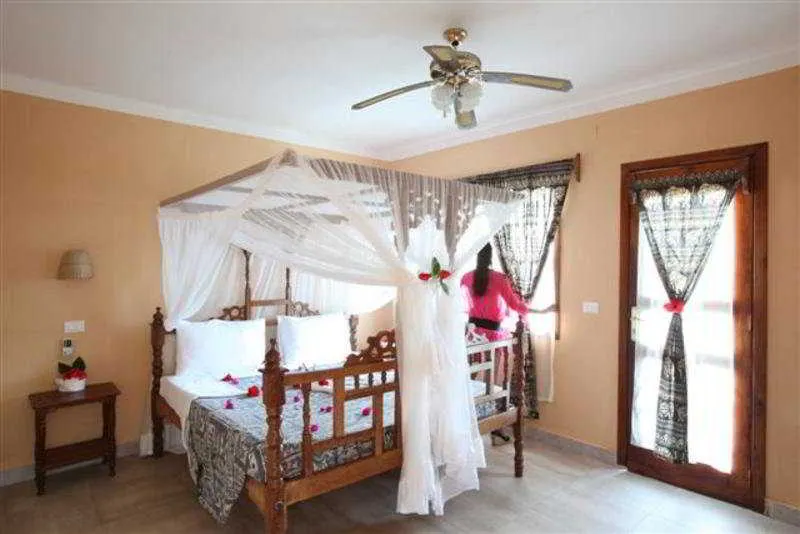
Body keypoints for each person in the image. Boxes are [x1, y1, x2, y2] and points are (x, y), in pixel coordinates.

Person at [461, 243, 529, 341]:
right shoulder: (499, 278)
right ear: (490, 257)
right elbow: (514, 304)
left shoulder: (466, 277)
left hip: (472, 335)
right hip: (491, 335)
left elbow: (460, 301)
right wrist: (530, 310)